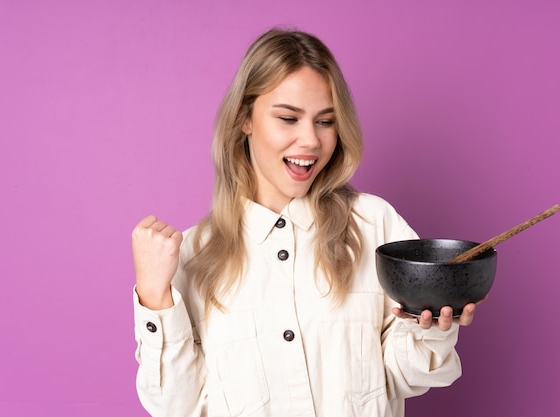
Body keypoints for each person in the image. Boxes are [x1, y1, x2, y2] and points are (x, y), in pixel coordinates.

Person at [131, 28, 480, 417]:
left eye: (325, 121)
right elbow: (176, 406)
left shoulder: (376, 225)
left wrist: (430, 326)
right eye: (288, 118)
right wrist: (153, 296)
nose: (310, 141)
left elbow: (403, 377)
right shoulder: (195, 254)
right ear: (245, 118)